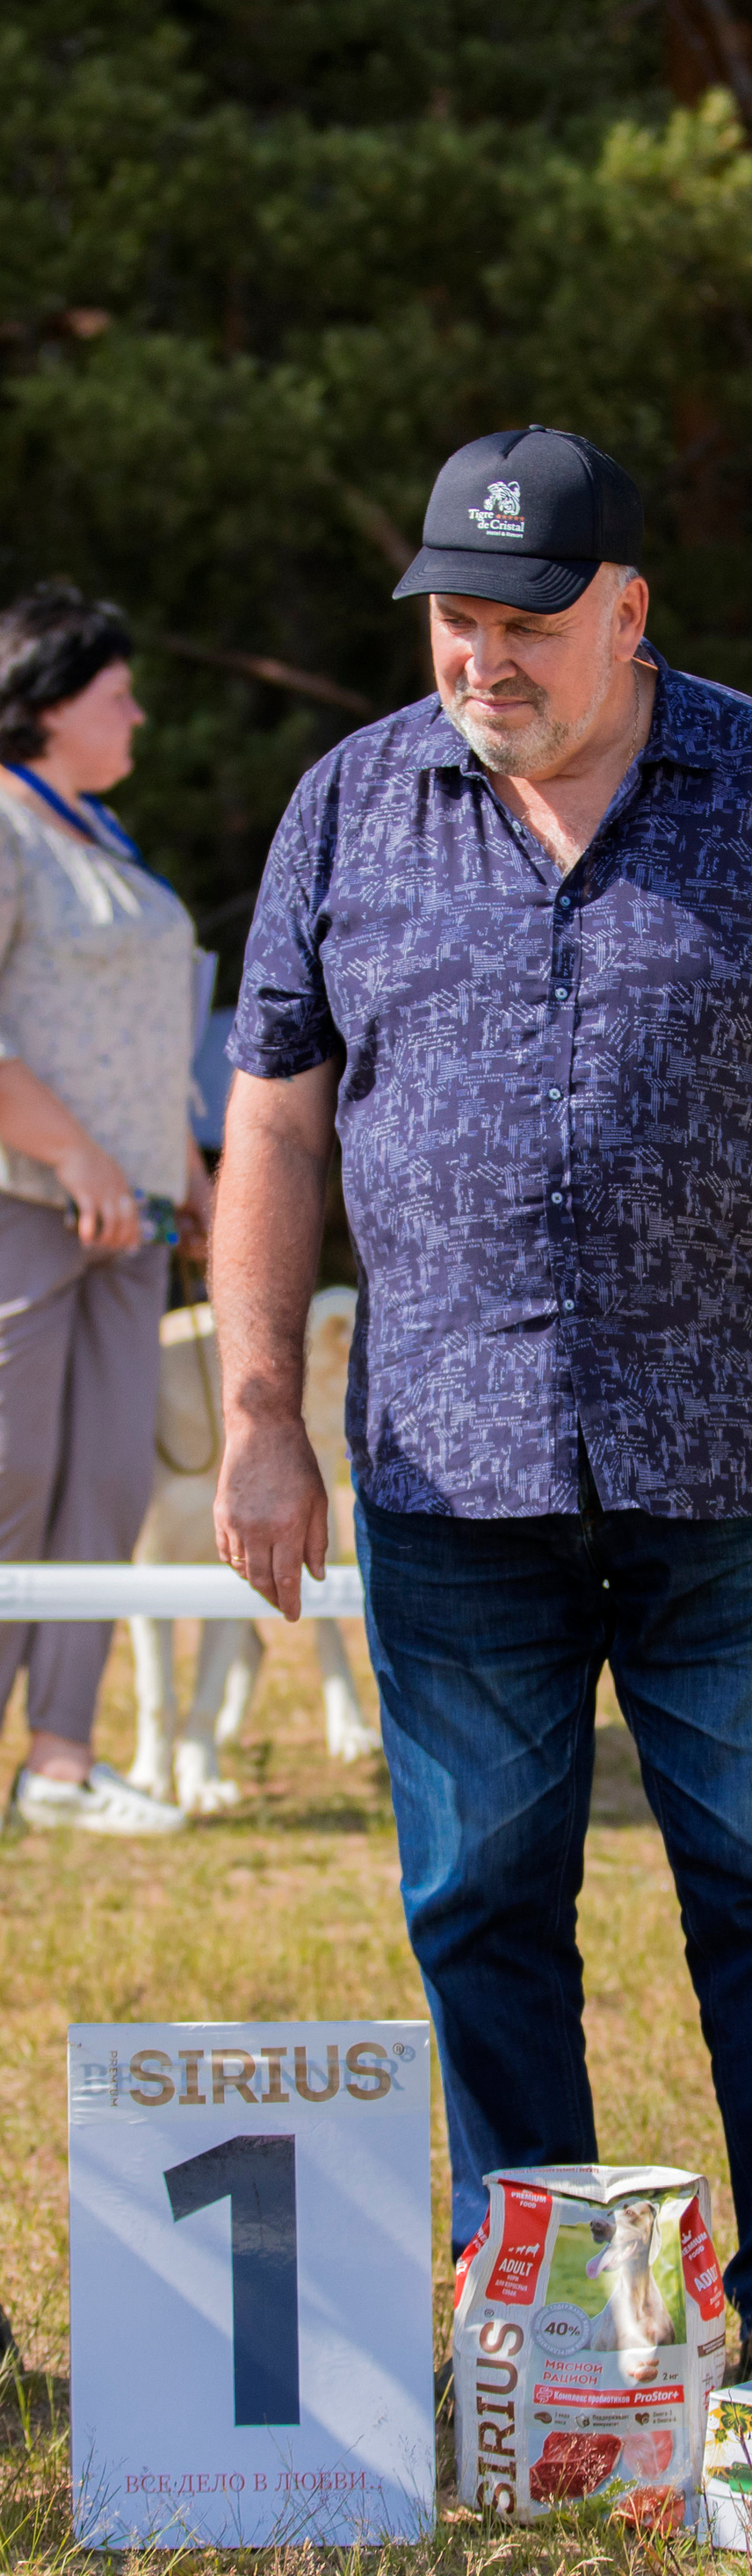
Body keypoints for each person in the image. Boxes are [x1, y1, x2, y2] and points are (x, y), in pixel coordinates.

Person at [211, 425, 752, 2402]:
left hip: (722, 1459)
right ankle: (539, 2318)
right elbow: (273, 1115)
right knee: (476, 1892)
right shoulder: (347, 804)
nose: (484, 658)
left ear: (629, 610)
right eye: (455, 617)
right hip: (450, 1462)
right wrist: (259, 1405)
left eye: (527, 621)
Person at [0, 584, 214, 1836]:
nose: (137, 707)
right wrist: (77, 1158)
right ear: (47, 702)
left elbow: (149, 1029)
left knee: (108, 1486)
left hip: (134, 1218)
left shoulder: (108, 834)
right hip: (28, 1198)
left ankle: (62, 1765)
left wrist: (183, 1170)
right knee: (10, 1475)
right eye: (117, 690)